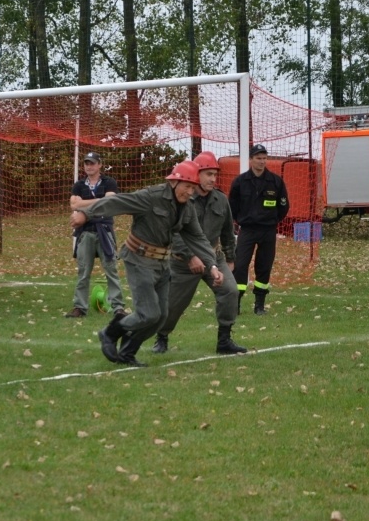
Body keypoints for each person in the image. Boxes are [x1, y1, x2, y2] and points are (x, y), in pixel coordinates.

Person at [70, 160, 223, 367]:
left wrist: (212, 265)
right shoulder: (151, 197)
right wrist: (85, 213)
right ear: (174, 183)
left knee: (160, 318)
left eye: (193, 188)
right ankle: (109, 332)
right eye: (187, 186)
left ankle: (127, 353)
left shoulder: (187, 209)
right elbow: (118, 202)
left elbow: (198, 238)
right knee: (148, 313)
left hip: (162, 264)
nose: (190, 192)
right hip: (139, 259)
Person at [151, 152, 247, 355]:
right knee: (173, 304)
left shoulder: (221, 199)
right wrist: (189, 256)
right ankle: (162, 337)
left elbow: (228, 232)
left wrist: (230, 259)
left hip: (213, 257)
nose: (212, 179)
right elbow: (171, 232)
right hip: (183, 262)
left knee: (230, 290)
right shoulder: (182, 197)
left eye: (214, 174)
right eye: (208, 174)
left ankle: (224, 340)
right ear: (196, 174)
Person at [229, 144, 289, 315]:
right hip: (246, 230)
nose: (262, 161)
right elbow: (232, 206)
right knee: (240, 266)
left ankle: (259, 305)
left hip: (268, 231)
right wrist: (236, 223)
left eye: (264, 158)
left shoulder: (275, 181)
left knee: (264, 266)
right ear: (251, 159)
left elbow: (283, 206)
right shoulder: (240, 182)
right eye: (258, 158)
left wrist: (272, 221)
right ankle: (236, 304)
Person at [66, 152, 126, 318]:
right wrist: (99, 200)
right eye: (86, 163)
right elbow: (74, 205)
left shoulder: (109, 182)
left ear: (99, 165)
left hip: (105, 231)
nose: (89, 166)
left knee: (111, 270)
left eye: (92, 163)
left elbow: (110, 201)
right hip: (85, 232)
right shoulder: (78, 185)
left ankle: (118, 307)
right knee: (83, 271)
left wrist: (83, 206)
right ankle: (80, 307)